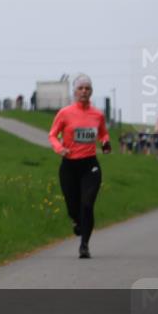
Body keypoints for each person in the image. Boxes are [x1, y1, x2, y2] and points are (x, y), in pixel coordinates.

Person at [48, 74, 111, 259]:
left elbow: (103, 134)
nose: (84, 91)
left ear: (91, 92)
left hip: (90, 165)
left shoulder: (98, 114)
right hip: (69, 166)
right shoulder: (65, 113)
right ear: (74, 92)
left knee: (87, 203)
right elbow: (52, 135)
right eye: (80, 88)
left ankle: (84, 245)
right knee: (72, 207)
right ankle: (77, 221)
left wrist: (106, 142)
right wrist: (60, 148)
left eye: (87, 88)